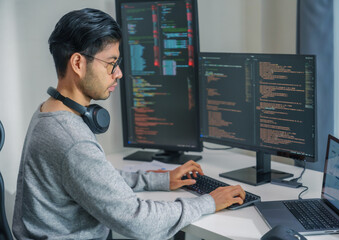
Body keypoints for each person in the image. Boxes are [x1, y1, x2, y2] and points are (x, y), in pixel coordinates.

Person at [12, 8, 245, 240]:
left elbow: (99, 180)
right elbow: (139, 222)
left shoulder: (48, 110)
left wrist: (162, 180)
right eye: (111, 63)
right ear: (78, 63)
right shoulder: (73, 140)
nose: (119, 73)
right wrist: (209, 202)